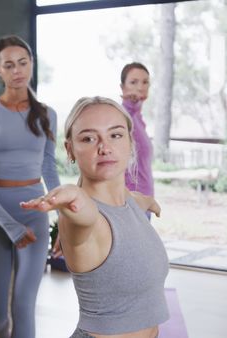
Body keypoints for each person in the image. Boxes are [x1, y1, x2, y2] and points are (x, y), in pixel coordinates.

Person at [21, 96, 168, 338]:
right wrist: (71, 196)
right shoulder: (82, 218)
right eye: (88, 138)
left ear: (131, 143)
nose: (104, 147)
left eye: (115, 135)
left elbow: (134, 199)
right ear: (70, 150)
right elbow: (85, 214)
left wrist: (149, 202)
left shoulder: (129, 202)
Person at [0, 35, 60, 338]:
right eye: (9, 65)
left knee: (23, 305)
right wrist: (10, 226)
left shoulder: (47, 114)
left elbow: (48, 166)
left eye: (23, 62)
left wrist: (62, 214)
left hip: (35, 213)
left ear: (31, 64)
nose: (17, 70)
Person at [120, 62, 153, 198]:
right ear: (122, 87)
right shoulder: (121, 117)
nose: (140, 87)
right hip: (131, 202)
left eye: (145, 82)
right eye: (134, 82)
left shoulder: (137, 117)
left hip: (145, 201)